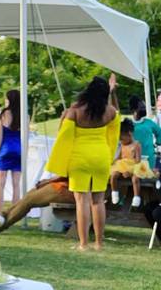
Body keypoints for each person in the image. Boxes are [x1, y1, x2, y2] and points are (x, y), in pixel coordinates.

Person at [44, 75, 120, 251]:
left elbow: (63, 135)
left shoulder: (76, 110)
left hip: (79, 158)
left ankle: (83, 243)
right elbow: (114, 133)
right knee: (98, 200)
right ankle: (99, 243)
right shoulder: (110, 112)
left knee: (82, 201)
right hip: (101, 157)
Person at [0, 176, 74, 233]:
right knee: (29, 195)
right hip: (62, 185)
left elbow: (66, 173)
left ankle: (0, 226)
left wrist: (48, 181)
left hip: (66, 189)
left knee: (29, 200)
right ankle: (2, 215)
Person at [0, 89, 23, 216]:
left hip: (5, 149)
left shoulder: (4, 114)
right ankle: (14, 213)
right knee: (16, 184)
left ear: (9, 100)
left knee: (0, 183)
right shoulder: (23, 114)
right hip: (18, 149)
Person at [110, 119, 143, 207]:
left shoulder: (136, 145)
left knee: (135, 179)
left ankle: (136, 197)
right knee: (113, 175)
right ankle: (114, 192)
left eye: (121, 138)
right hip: (122, 165)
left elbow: (138, 161)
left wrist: (130, 171)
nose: (121, 141)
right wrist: (113, 162)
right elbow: (119, 157)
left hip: (134, 166)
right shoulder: (122, 145)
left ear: (129, 134)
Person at [131, 102, 161, 169]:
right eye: (141, 108)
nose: (143, 109)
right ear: (133, 110)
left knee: (149, 176)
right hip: (133, 156)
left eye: (144, 107)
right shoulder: (129, 124)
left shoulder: (149, 122)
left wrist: (157, 143)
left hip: (148, 156)